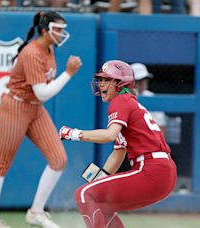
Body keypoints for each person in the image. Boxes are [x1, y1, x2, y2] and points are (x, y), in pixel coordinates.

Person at [0, 11, 82, 228]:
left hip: (35, 109)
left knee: (58, 159)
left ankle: (36, 212)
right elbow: (43, 93)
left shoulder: (48, 49)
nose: (63, 34)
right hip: (16, 107)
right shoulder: (31, 53)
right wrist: (68, 73)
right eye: (59, 29)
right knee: (1, 163)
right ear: (46, 31)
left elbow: (40, 96)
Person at [59, 60, 177, 228]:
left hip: (151, 169)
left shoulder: (121, 100)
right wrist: (103, 176)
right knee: (101, 204)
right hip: (162, 171)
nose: (101, 84)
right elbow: (117, 154)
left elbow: (109, 135)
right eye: (101, 79)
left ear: (121, 83)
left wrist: (74, 134)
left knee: (84, 194)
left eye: (107, 80)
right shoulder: (129, 102)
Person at [131, 63, 167, 136]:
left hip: (148, 140)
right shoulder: (122, 96)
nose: (142, 83)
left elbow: (161, 126)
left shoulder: (152, 97)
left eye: (144, 79)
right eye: (138, 80)